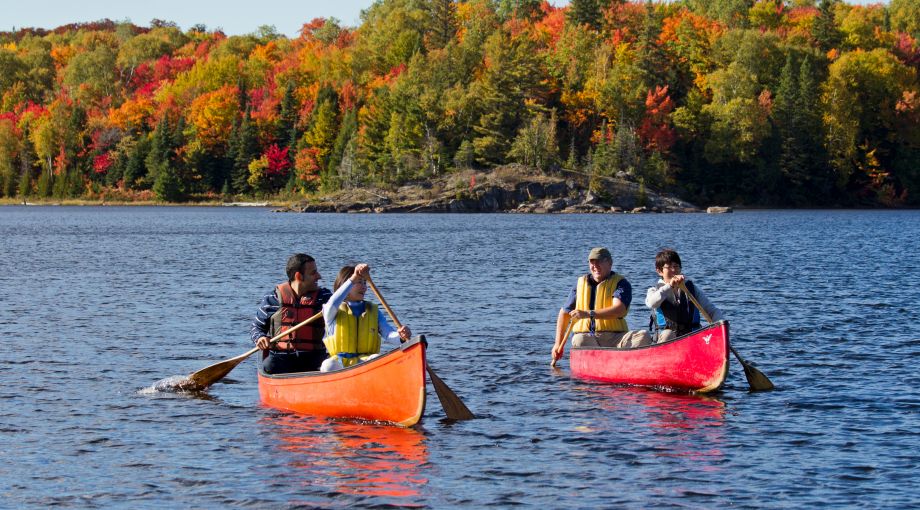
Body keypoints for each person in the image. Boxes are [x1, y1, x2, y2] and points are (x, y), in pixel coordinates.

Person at [552, 247, 652, 364]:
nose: (595, 266)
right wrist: (558, 344)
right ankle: (608, 364)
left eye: (600, 261)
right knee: (579, 339)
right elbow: (564, 313)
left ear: (610, 263)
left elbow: (619, 310)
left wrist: (588, 314)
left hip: (616, 337)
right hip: (589, 338)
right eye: (592, 262)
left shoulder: (621, 284)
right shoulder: (580, 284)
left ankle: (620, 364)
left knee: (643, 336)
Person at [320, 263, 411, 372]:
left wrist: (401, 336)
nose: (364, 287)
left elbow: (389, 334)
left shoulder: (373, 311)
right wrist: (353, 278)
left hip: (365, 361)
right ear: (345, 285)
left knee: (378, 359)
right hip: (340, 363)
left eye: (365, 282)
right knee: (327, 365)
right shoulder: (331, 310)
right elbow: (332, 302)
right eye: (359, 282)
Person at [250, 253, 332, 374]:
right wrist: (260, 337)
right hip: (280, 359)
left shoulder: (324, 297)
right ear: (299, 276)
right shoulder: (273, 298)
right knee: (268, 366)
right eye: (313, 273)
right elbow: (256, 327)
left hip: (315, 359)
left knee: (329, 366)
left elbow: (344, 304)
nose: (319, 276)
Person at [645, 248, 723, 343]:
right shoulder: (653, 290)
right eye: (669, 267)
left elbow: (712, 310)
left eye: (676, 266)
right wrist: (669, 286)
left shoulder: (691, 288)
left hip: (690, 338)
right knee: (668, 334)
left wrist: (720, 327)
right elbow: (651, 303)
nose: (674, 270)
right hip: (666, 340)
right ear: (659, 271)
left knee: (708, 333)